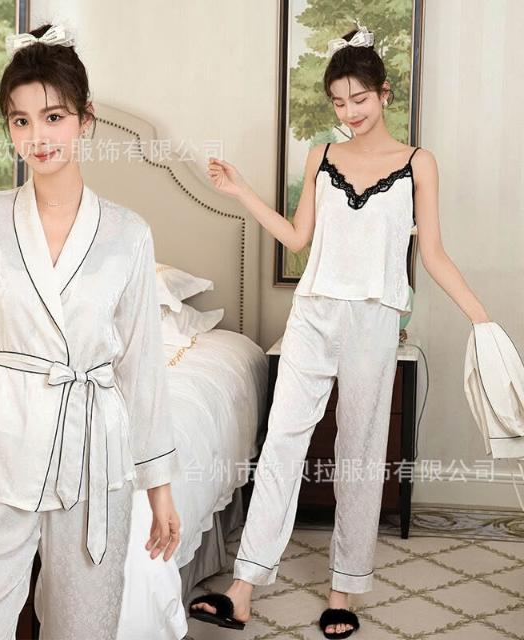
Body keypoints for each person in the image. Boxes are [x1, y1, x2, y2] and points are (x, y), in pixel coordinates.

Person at [189, 24, 490, 639]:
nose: (349, 113)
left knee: (359, 449)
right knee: (282, 442)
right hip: (314, 311)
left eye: (359, 99)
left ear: (384, 93)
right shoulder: (321, 158)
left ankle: (342, 590)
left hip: (374, 317)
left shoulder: (418, 164)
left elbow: (432, 253)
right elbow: (298, 238)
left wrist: (480, 317)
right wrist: (242, 190)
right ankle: (243, 589)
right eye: (339, 102)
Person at [0, 23, 181, 640]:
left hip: (94, 459)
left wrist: (160, 487)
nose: (37, 137)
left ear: (85, 120)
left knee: (83, 627)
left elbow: (141, 367)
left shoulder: (128, 234)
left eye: (53, 117)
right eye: (21, 120)